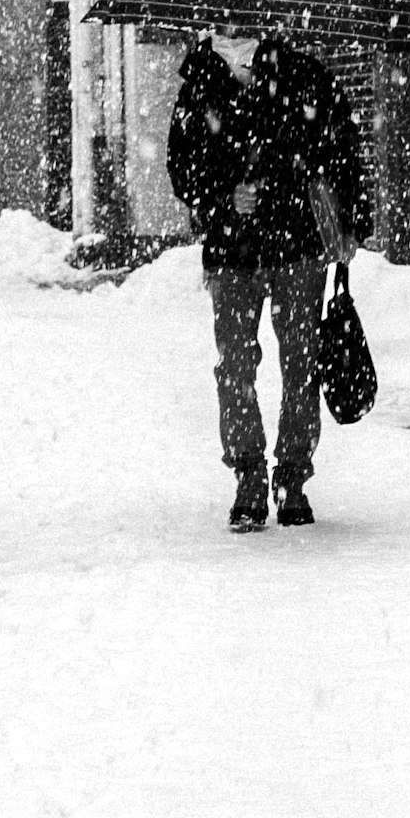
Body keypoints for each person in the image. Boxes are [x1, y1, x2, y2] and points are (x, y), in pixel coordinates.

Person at [166, 26, 367, 532]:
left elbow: (341, 151)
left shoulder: (303, 76)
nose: (231, 28)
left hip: (294, 245)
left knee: (300, 363)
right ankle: (249, 475)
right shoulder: (199, 82)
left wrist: (349, 221)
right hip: (231, 253)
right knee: (235, 365)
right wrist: (223, 197)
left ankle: (293, 478)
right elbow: (181, 169)